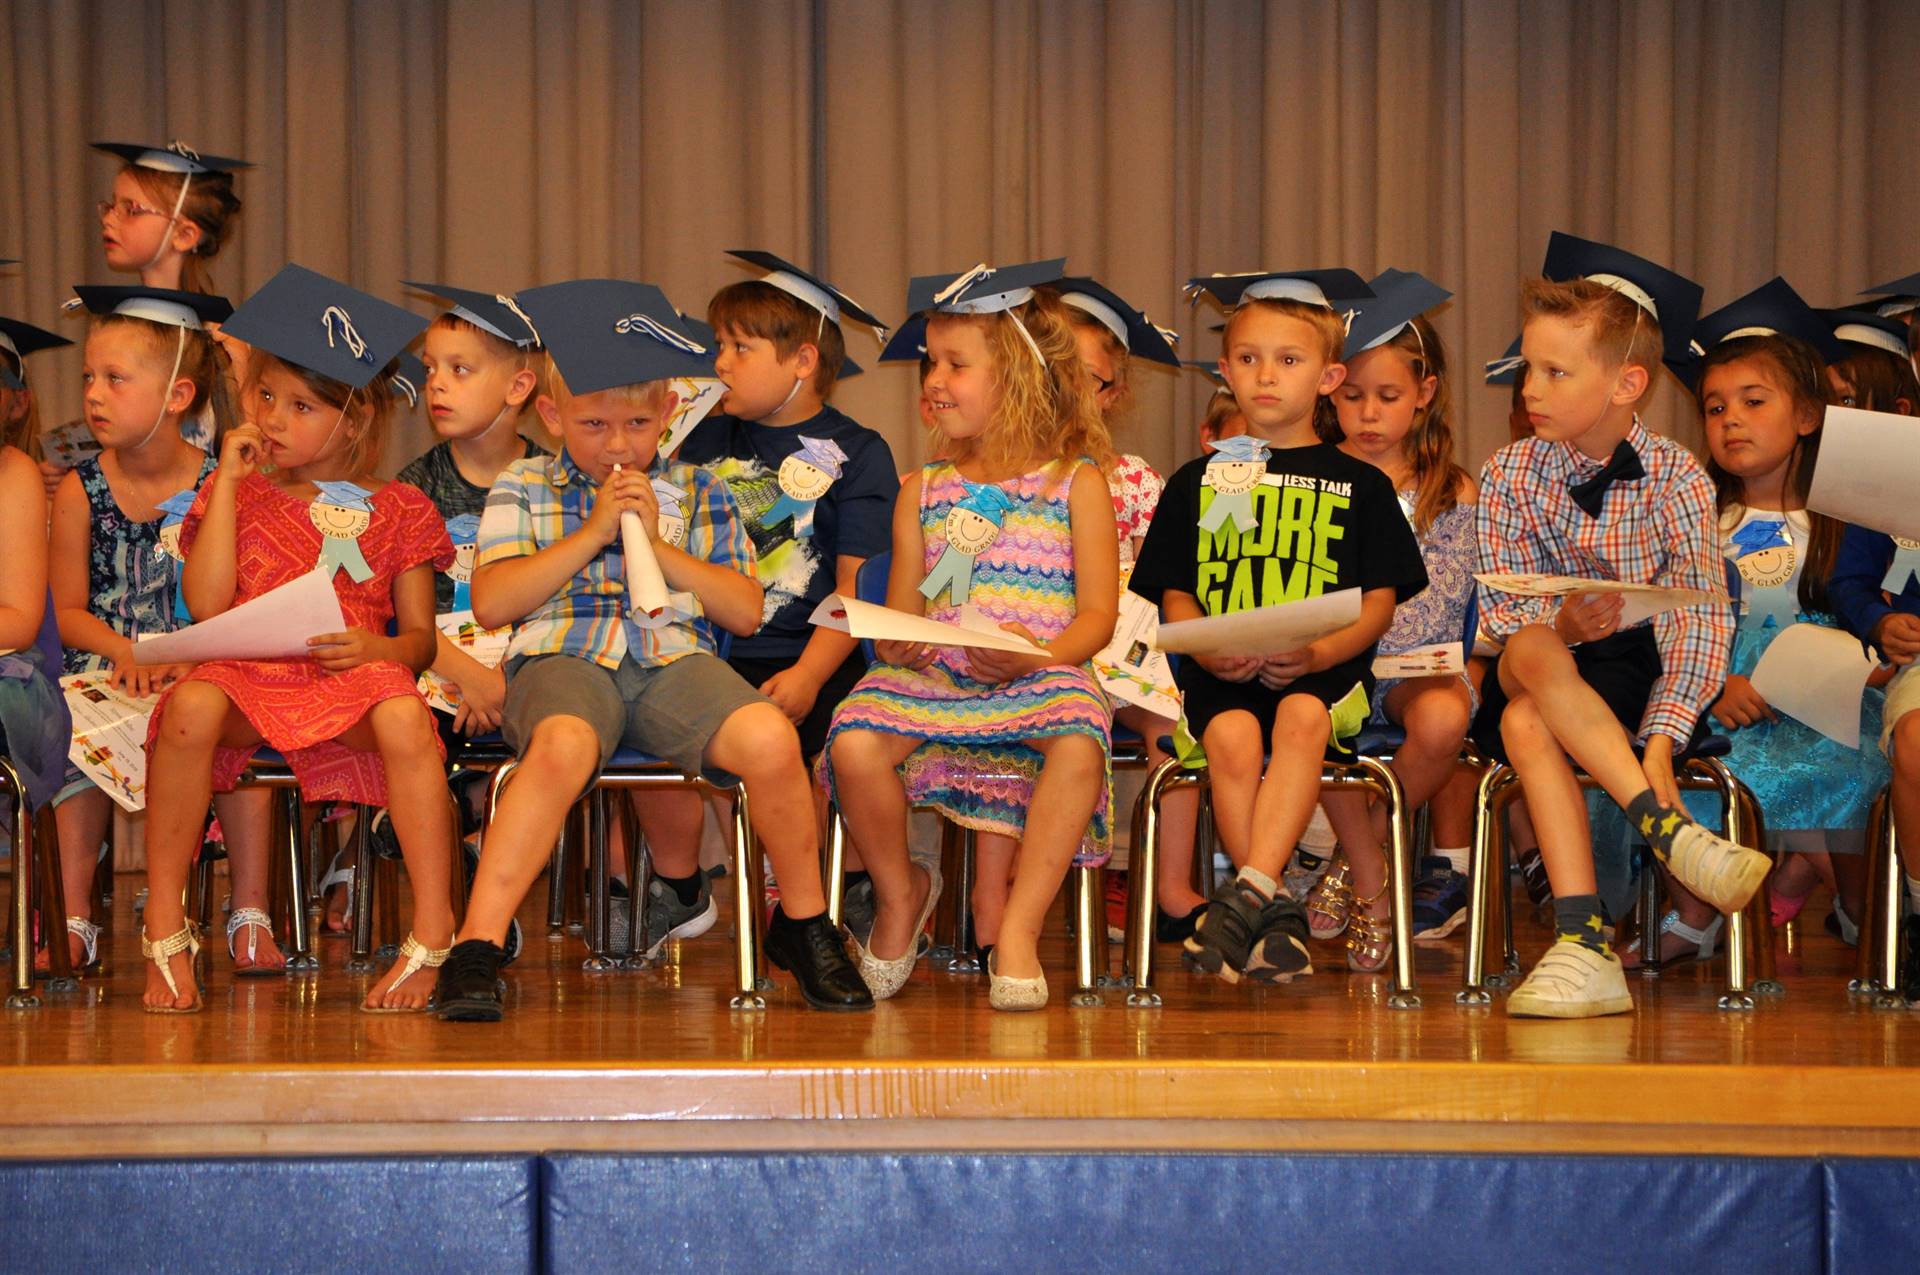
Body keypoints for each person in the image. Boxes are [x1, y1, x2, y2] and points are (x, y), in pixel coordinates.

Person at [433, 278, 869, 1020]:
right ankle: (475, 943)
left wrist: (662, 548)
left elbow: (746, 607)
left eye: (637, 421)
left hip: (676, 662)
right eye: (594, 423)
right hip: (563, 658)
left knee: (769, 735)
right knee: (564, 743)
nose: (618, 443)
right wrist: (592, 533)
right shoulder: (527, 481)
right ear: (549, 413)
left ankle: (802, 922)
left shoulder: (703, 490)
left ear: (668, 410)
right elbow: (494, 600)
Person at [142, 265, 455, 1013]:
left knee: (408, 713)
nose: (275, 417)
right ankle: (164, 928)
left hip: (351, 677)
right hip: (252, 674)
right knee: (189, 706)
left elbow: (420, 644)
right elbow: (206, 604)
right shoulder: (237, 493)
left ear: (351, 422)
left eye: (301, 406)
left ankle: (433, 931)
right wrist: (223, 483)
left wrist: (380, 653)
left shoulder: (400, 506)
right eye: (266, 397)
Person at [1472, 233, 1766, 1019]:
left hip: (1636, 668)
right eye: (1528, 366)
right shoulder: (1509, 472)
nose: (1530, 386)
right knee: (1531, 650)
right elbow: (1501, 614)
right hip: (1534, 653)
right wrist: (1562, 623)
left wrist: (1665, 736)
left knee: (1533, 716)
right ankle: (1664, 829)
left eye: (1555, 371)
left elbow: (1701, 623)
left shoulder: (1676, 477)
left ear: (1627, 383)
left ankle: (1583, 940)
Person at [821, 261, 1119, 1010]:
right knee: (853, 740)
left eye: (956, 364)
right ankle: (901, 893)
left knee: (1081, 739)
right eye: (931, 363)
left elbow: (1098, 616)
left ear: (1017, 375)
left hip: (1040, 672)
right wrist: (897, 641)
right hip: (937, 679)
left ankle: (1018, 928)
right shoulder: (923, 489)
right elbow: (904, 615)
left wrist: (1039, 652)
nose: (935, 380)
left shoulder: (1076, 483)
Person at [1130, 268, 1427, 986]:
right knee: (1230, 736)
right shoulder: (1195, 482)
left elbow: (1378, 604)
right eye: (1249, 359)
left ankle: (1255, 897)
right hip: (1222, 671)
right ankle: (1271, 906)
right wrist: (1215, 645)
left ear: (1328, 377)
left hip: (1323, 673)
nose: (1266, 376)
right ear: (1226, 368)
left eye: (1289, 361)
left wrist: (1321, 650)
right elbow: (1176, 594)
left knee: (1298, 716)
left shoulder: (1361, 484)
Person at [1312, 270, 1478, 967]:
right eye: (1353, 397)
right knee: (1312, 707)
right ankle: (1376, 889)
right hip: (1335, 662)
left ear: (1426, 393)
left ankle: (1361, 852)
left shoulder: (1452, 487)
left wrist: (1460, 666)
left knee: (1444, 719)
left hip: (1419, 666)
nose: (1369, 414)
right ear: (1329, 390)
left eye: (1388, 397)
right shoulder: (1311, 473)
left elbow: (1456, 597)